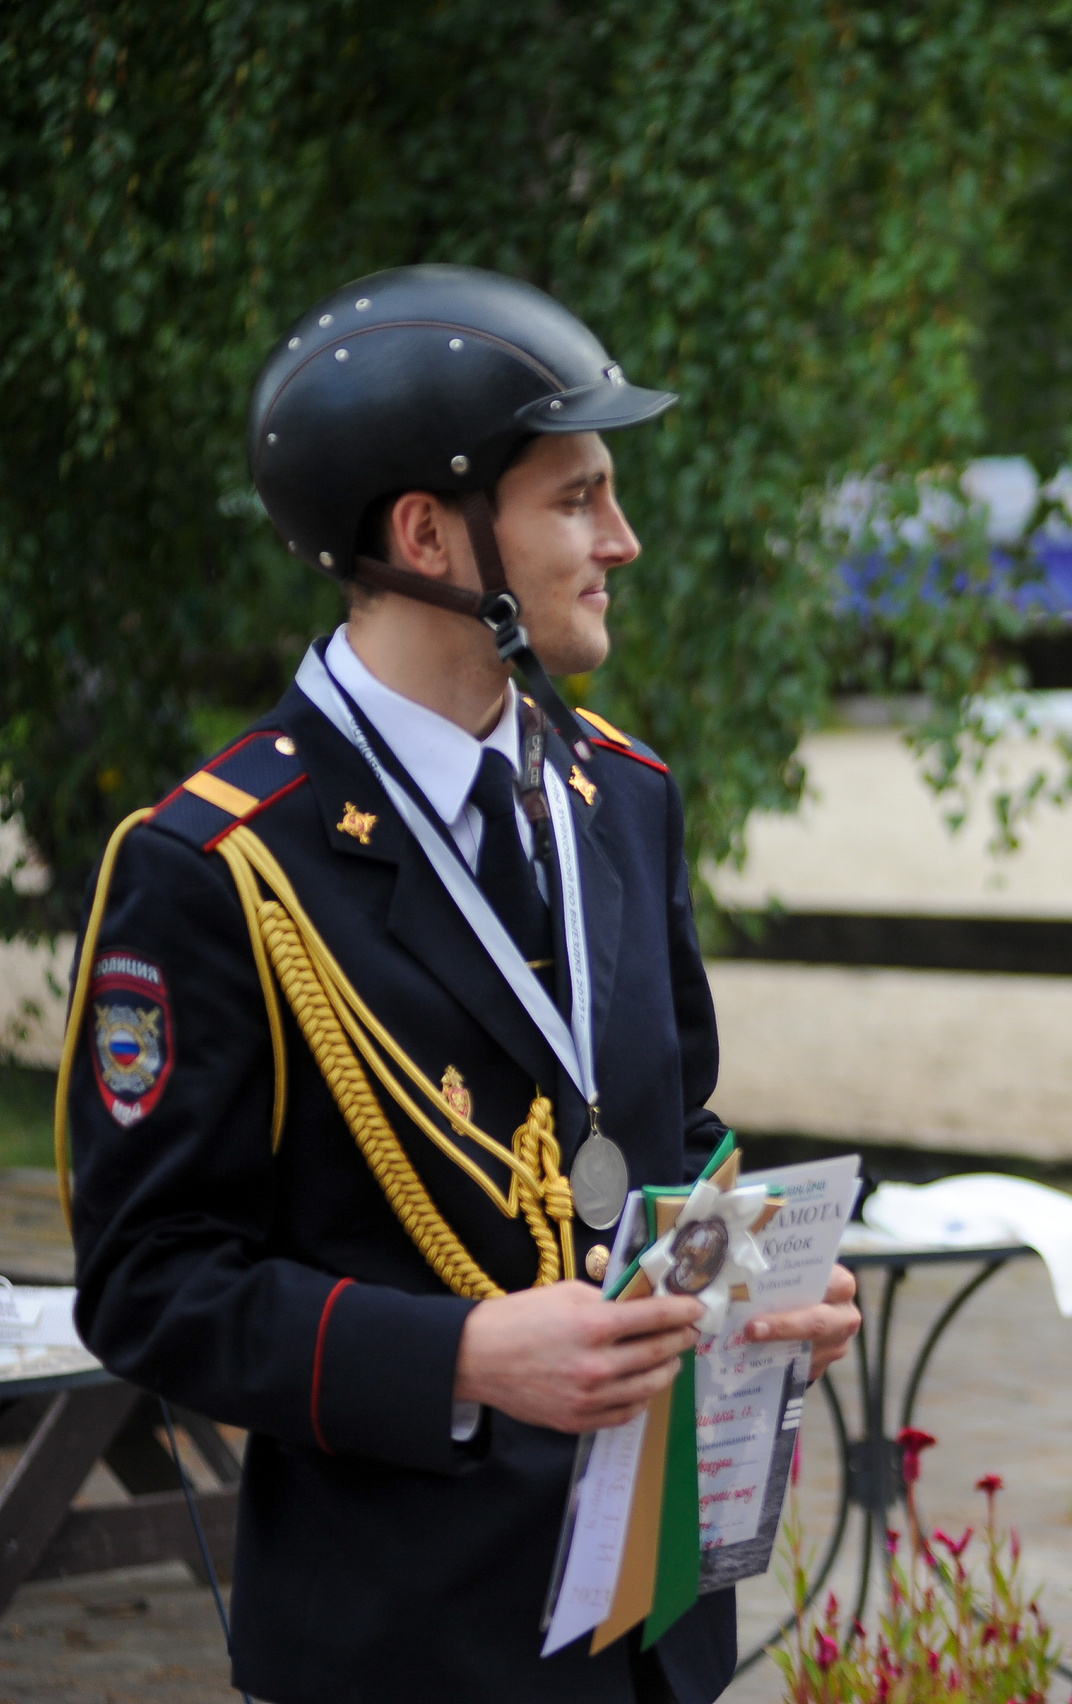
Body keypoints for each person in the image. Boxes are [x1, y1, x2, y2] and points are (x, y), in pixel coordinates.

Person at [57, 265, 860, 1704]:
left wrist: (759, 1285)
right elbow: (148, 1281)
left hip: (653, 1625)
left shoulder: (623, 796)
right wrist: (463, 1355)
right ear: (425, 532)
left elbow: (667, 1137)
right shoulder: (217, 862)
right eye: (573, 499)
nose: (622, 540)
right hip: (407, 1638)